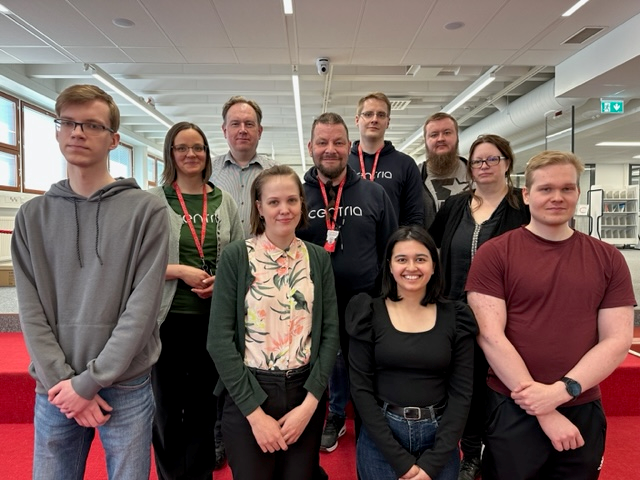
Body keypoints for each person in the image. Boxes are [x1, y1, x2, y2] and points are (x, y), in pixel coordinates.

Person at [11, 84, 169, 479]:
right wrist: (66, 384)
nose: (78, 132)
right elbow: (30, 310)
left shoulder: (146, 211)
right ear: (57, 131)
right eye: (68, 122)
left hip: (127, 385)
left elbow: (143, 307)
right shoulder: (31, 217)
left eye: (92, 125)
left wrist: (92, 381)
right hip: (55, 389)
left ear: (114, 139)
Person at [466, 151, 635, 480]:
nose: (557, 197)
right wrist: (543, 410)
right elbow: (490, 336)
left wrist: (560, 393)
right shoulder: (495, 254)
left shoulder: (608, 259)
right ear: (526, 195)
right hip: (511, 406)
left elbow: (617, 340)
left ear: (577, 193)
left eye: (567, 189)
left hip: (581, 404)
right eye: (545, 189)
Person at [207, 164, 340, 480]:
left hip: (303, 391)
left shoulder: (317, 259)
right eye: (274, 202)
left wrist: (309, 406)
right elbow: (219, 340)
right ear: (259, 207)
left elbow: (330, 333)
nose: (284, 209)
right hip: (249, 391)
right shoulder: (237, 257)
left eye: (292, 200)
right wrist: (255, 416)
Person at [429, 134, 530, 480]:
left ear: (507, 162)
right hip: (458, 314)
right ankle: (471, 454)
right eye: (477, 161)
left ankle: (502, 449)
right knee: (467, 387)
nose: (484, 167)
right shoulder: (455, 206)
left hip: (510, 316)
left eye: (492, 159)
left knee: (504, 384)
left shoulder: (523, 207)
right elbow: (432, 250)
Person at [297, 112, 398, 454]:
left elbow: (390, 248)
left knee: (360, 363)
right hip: (309, 301)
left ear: (349, 146)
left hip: (363, 299)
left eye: (338, 142)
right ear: (310, 146)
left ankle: (355, 418)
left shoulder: (373, 193)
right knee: (324, 361)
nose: (330, 149)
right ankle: (327, 414)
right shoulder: (297, 194)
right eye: (322, 142)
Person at [149, 122, 243, 480]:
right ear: (171, 154)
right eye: (182, 148)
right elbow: (137, 262)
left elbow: (238, 256)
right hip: (169, 319)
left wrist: (222, 280)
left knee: (207, 407)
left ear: (207, 154)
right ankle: (171, 475)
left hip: (213, 320)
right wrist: (179, 271)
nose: (191, 155)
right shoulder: (155, 201)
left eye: (198, 148)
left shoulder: (225, 201)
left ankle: (201, 474)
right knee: (169, 408)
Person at [347, 226, 476, 480]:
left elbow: (462, 392)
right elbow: (360, 390)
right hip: (381, 438)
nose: (411, 267)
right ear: (389, 265)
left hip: (439, 438)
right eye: (401, 259)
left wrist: (432, 463)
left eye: (420, 259)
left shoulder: (456, 316)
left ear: (434, 265)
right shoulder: (367, 313)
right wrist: (401, 462)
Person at [348, 92, 425, 226]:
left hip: (391, 245)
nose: (374, 119)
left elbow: (414, 217)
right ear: (357, 120)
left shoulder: (405, 164)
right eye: (368, 114)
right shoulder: (344, 163)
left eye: (381, 115)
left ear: (388, 122)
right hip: (352, 245)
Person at [210, 95, 276, 238]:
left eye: (249, 124)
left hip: (266, 257)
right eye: (235, 124)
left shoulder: (276, 172)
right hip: (220, 258)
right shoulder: (207, 172)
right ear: (224, 130)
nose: (242, 130)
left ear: (259, 131)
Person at [419, 112, 470, 229]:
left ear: (457, 136)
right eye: (434, 135)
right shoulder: (414, 176)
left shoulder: (476, 173)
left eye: (447, 133)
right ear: (425, 141)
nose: (441, 139)